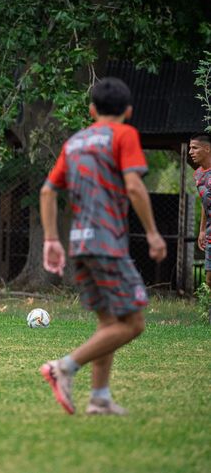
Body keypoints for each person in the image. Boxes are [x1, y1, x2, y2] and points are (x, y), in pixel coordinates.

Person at [39, 77, 167, 415]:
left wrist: (51, 239)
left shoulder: (76, 142)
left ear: (92, 110)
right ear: (128, 111)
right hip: (107, 243)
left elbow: (48, 191)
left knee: (109, 324)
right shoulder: (124, 134)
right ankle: (63, 367)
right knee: (134, 323)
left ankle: (99, 398)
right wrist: (153, 233)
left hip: (80, 244)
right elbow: (135, 186)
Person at [189, 133, 211, 287]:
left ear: (207, 149)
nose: (190, 152)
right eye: (190, 148)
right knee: (209, 280)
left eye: (194, 148)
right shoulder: (197, 175)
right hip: (210, 232)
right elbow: (206, 203)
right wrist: (202, 230)